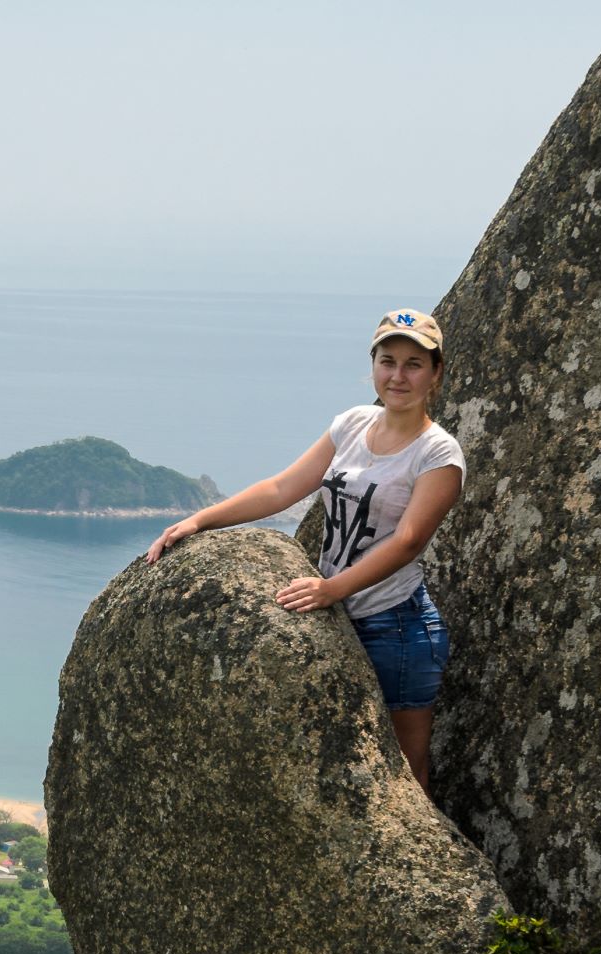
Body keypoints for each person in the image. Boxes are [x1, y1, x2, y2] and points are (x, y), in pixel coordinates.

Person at [143, 308, 467, 795]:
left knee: (405, 770)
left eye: (414, 364)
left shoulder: (438, 454)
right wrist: (198, 519)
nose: (398, 376)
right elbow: (281, 488)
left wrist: (330, 589)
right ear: (373, 365)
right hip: (338, 610)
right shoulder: (353, 423)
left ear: (436, 372)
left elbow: (409, 541)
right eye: (388, 361)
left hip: (395, 627)